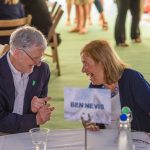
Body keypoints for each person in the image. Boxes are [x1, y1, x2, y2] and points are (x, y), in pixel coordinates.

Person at [80, 40, 150, 132]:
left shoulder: (131, 79)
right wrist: (89, 123)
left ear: (102, 63)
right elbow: (86, 116)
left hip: (139, 141)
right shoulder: (95, 88)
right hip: (109, 142)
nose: (83, 70)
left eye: (86, 63)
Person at [0, 26, 54, 134]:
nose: (39, 63)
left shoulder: (42, 70)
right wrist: (35, 119)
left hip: (28, 133)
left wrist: (37, 107)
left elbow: (42, 99)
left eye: (41, 57)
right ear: (17, 53)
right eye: (34, 58)